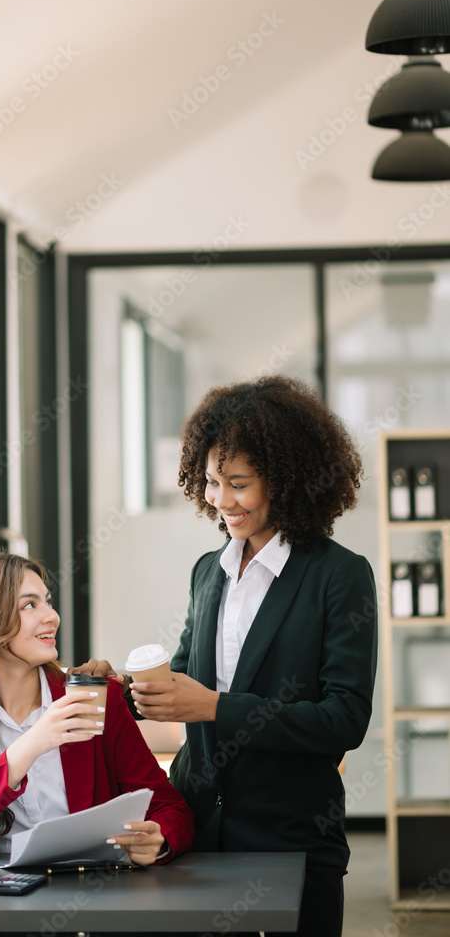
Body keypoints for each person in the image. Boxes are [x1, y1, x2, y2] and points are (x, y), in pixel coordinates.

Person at [76, 375, 378, 937]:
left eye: (238, 483)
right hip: (198, 831)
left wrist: (216, 707)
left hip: (290, 839)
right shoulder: (208, 571)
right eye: (212, 482)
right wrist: (119, 689)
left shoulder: (339, 577)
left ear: (286, 483)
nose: (220, 500)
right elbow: (186, 680)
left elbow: (344, 719)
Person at [0, 549, 194, 866]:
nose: (52, 616)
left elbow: (171, 809)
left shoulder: (94, 699)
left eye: (47, 601)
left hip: (92, 893)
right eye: (29, 605)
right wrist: (29, 746)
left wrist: (158, 839)